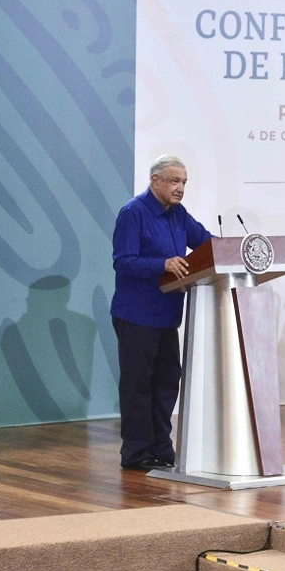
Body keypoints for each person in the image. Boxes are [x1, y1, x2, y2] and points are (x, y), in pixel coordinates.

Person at [110, 155, 211, 470]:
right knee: (139, 384)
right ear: (155, 181)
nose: (180, 188)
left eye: (183, 182)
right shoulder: (133, 213)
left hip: (167, 315)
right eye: (174, 181)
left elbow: (207, 244)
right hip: (136, 314)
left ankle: (161, 447)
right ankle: (136, 452)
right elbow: (123, 261)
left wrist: (235, 252)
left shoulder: (178, 214)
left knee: (167, 382)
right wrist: (162, 264)